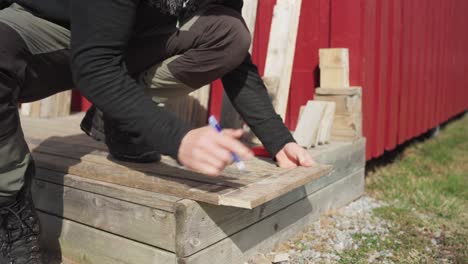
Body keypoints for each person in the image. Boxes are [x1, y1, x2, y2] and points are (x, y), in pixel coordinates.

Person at [0, 0, 315, 263]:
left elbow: (237, 62)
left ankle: (120, 121)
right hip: (51, 26)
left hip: (124, 33)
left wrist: (278, 138)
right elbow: (94, 67)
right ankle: (10, 206)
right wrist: (178, 138)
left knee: (228, 33)